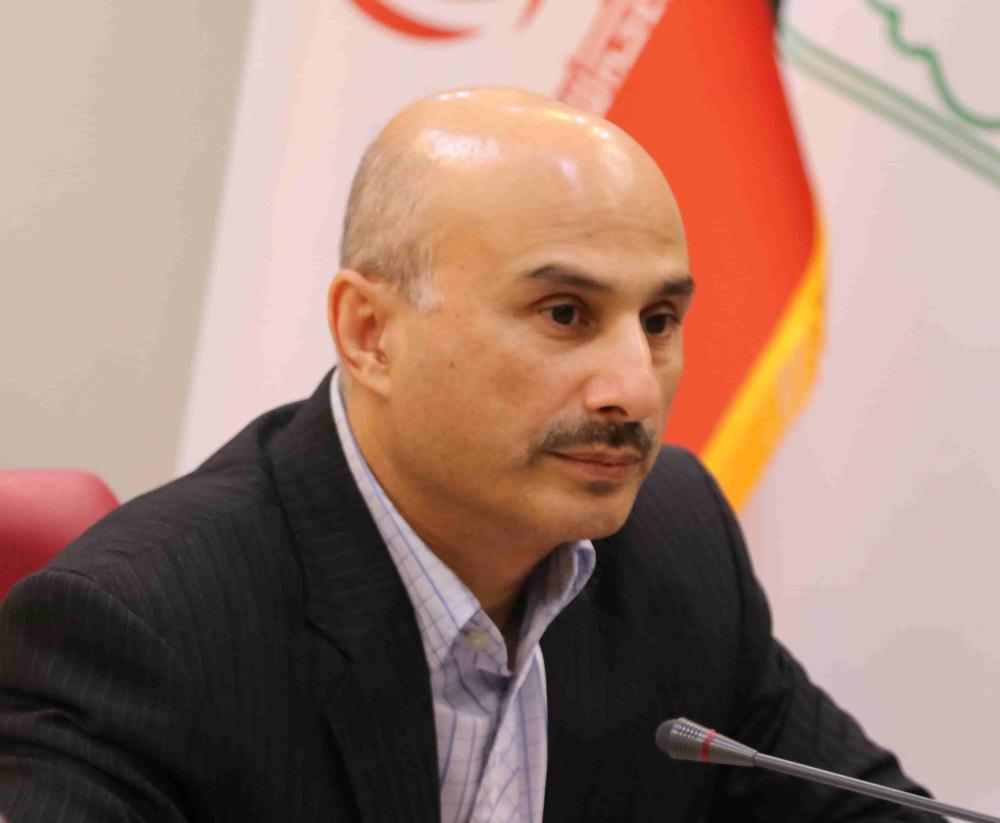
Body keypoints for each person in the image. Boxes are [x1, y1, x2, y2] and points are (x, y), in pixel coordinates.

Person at [0, 88, 941, 822]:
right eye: (565, 313)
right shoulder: (140, 632)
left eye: (659, 321)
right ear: (370, 333)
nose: (634, 388)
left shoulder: (674, 541)